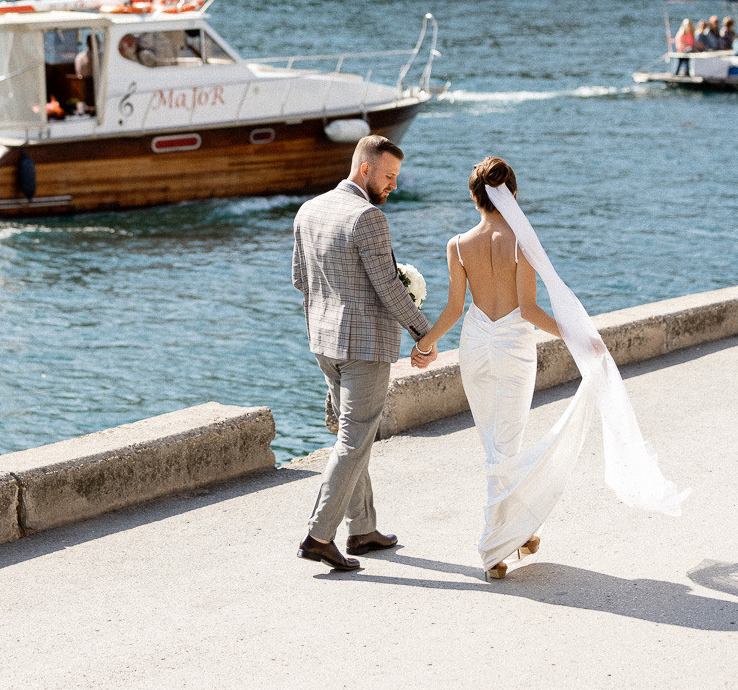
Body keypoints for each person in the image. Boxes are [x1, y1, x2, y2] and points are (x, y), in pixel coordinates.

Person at [410, 156, 686, 580]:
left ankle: (520, 533)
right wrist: (577, 337)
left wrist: (424, 344)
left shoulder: (457, 244)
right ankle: (494, 548)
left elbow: (453, 309)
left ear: (473, 196)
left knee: (494, 443)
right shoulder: (521, 241)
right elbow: (529, 310)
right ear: (512, 194)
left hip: (475, 346)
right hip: (513, 347)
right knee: (508, 443)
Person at [292, 134, 430, 572]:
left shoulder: (308, 209)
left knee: (352, 436)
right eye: (388, 176)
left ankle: (364, 529)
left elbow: (299, 278)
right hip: (364, 347)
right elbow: (388, 286)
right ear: (365, 169)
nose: (393, 185)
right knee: (355, 439)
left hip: (323, 342)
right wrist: (422, 332)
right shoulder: (367, 217)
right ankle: (319, 534)